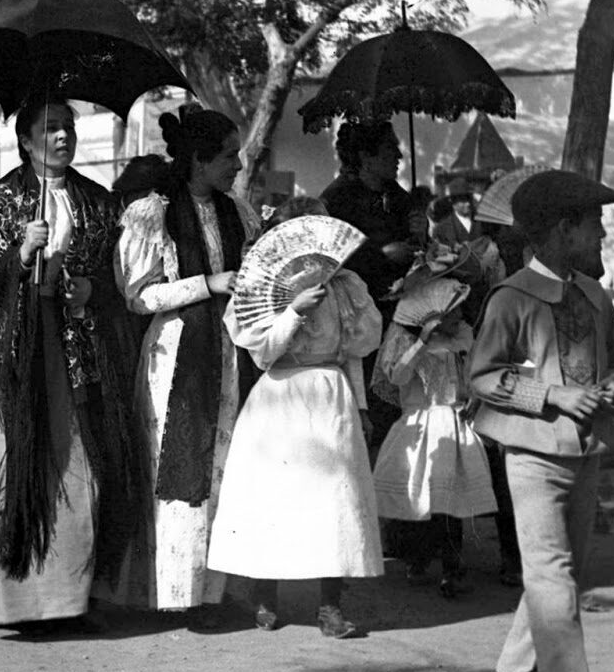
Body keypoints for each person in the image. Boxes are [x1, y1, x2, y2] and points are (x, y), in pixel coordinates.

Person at [0, 98, 147, 630]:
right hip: (17, 353)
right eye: (50, 129)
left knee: (80, 472)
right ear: (25, 140)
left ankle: (70, 601)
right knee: (14, 462)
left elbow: (119, 279)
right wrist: (19, 256)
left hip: (79, 351)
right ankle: (13, 604)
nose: (62, 137)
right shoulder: (0, 200)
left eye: (68, 128)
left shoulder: (98, 202)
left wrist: (91, 289)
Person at [468, 169, 614, 672]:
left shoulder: (594, 295)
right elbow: (483, 377)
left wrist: (613, 384)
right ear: (564, 229)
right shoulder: (511, 297)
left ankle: (516, 669)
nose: (603, 235)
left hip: (585, 453)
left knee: (566, 576)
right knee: (553, 579)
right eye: (595, 224)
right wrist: (552, 394)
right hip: (533, 457)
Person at [100, 107, 259, 614]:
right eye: (229, 155)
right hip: (176, 359)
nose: (238, 164)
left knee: (226, 466)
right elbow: (137, 296)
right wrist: (206, 285)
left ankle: (221, 590)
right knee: (180, 467)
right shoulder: (154, 214)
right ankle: (179, 591)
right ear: (199, 160)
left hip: (230, 354)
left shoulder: (238, 212)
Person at [208, 196, 384, 637]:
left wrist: (362, 407)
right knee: (277, 498)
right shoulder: (266, 286)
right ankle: (265, 595)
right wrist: (293, 311)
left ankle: (330, 605)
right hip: (281, 394)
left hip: (330, 395)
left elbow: (354, 352)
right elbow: (264, 353)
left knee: (334, 500)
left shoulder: (346, 285)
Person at [373, 266, 495, 598]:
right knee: (421, 496)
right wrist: (422, 343)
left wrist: (474, 396)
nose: (461, 316)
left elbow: (473, 372)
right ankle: (418, 558)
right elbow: (397, 377)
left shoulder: (463, 336)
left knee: (451, 500)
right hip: (421, 423)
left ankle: (453, 567)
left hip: (455, 421)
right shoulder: (407, 340)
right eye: (454, 311)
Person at [320, 123, 419, 452]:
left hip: (400, 317)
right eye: (391, 149)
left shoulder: (400, 197)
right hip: (358, 321)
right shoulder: (336, 200)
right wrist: (381, 255)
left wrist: (420, 232)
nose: (399, 156)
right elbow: (330, 257)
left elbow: (416, 251)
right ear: (366, 156)